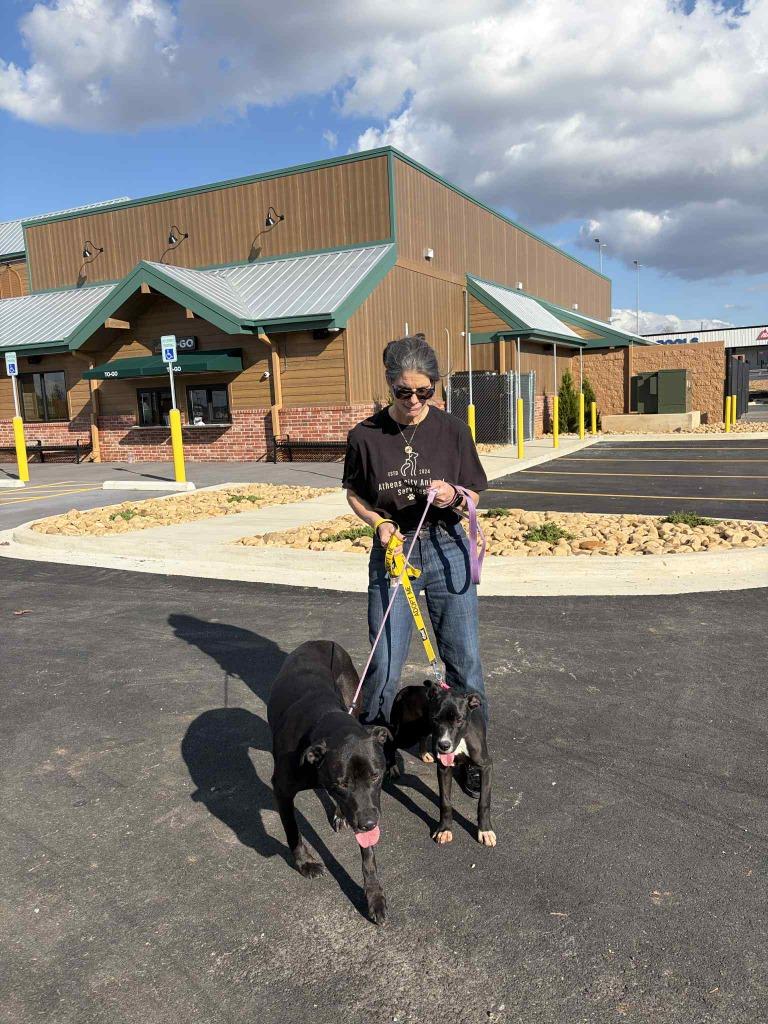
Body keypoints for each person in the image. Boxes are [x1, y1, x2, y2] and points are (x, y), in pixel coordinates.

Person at [342, 334, 488, 793]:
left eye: (425, 392)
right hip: (395, 550)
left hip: (445, 546)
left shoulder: (452, 430)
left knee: (464, 660)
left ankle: (471, 754)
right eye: (404, 391)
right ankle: (376, 752)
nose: (414, 401)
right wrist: (378, 522)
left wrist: (454, 495)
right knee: (385, 660)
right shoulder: (364, 435)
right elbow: (354, 493)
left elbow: (474, 491)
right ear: (389, 384)